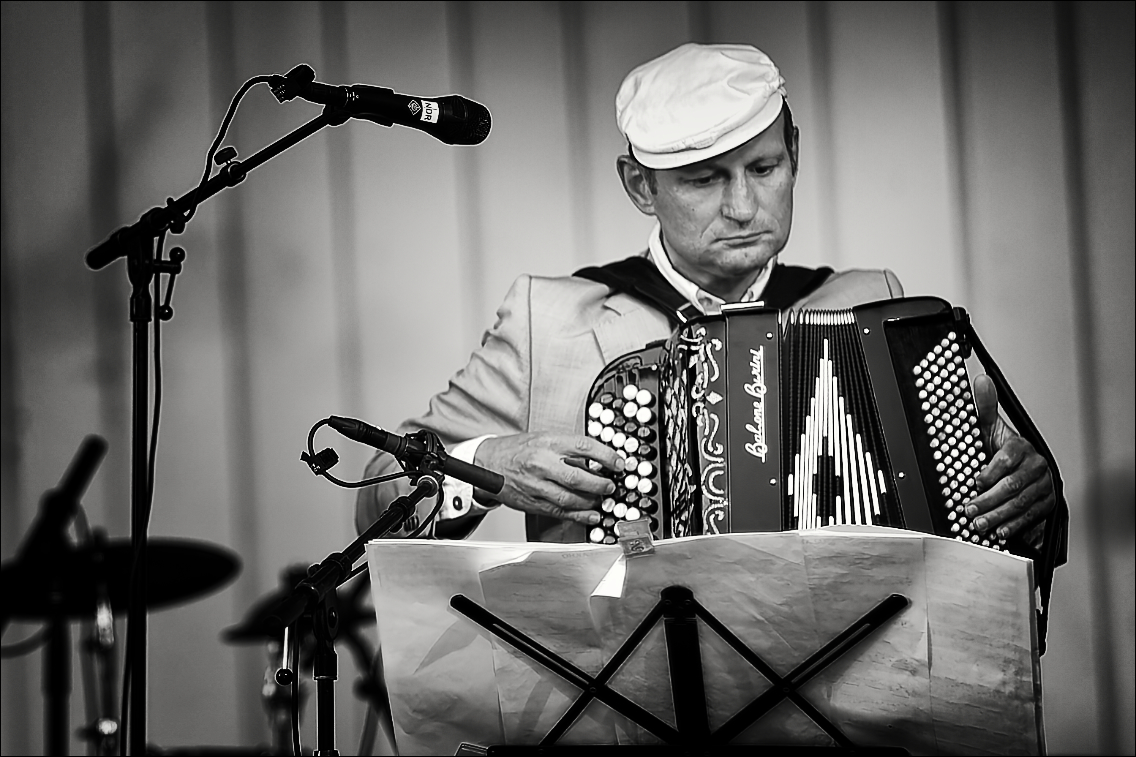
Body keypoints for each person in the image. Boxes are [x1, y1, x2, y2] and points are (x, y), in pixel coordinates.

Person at [355, 42, 1057, 549]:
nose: (747, 206)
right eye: (705, 180)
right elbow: (378, 490)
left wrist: (1027, 491)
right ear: (640, 187)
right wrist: (486, 465)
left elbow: (990, 511)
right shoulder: (550, 319)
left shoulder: (871, 304)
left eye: (765, 166)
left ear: (796, 155)